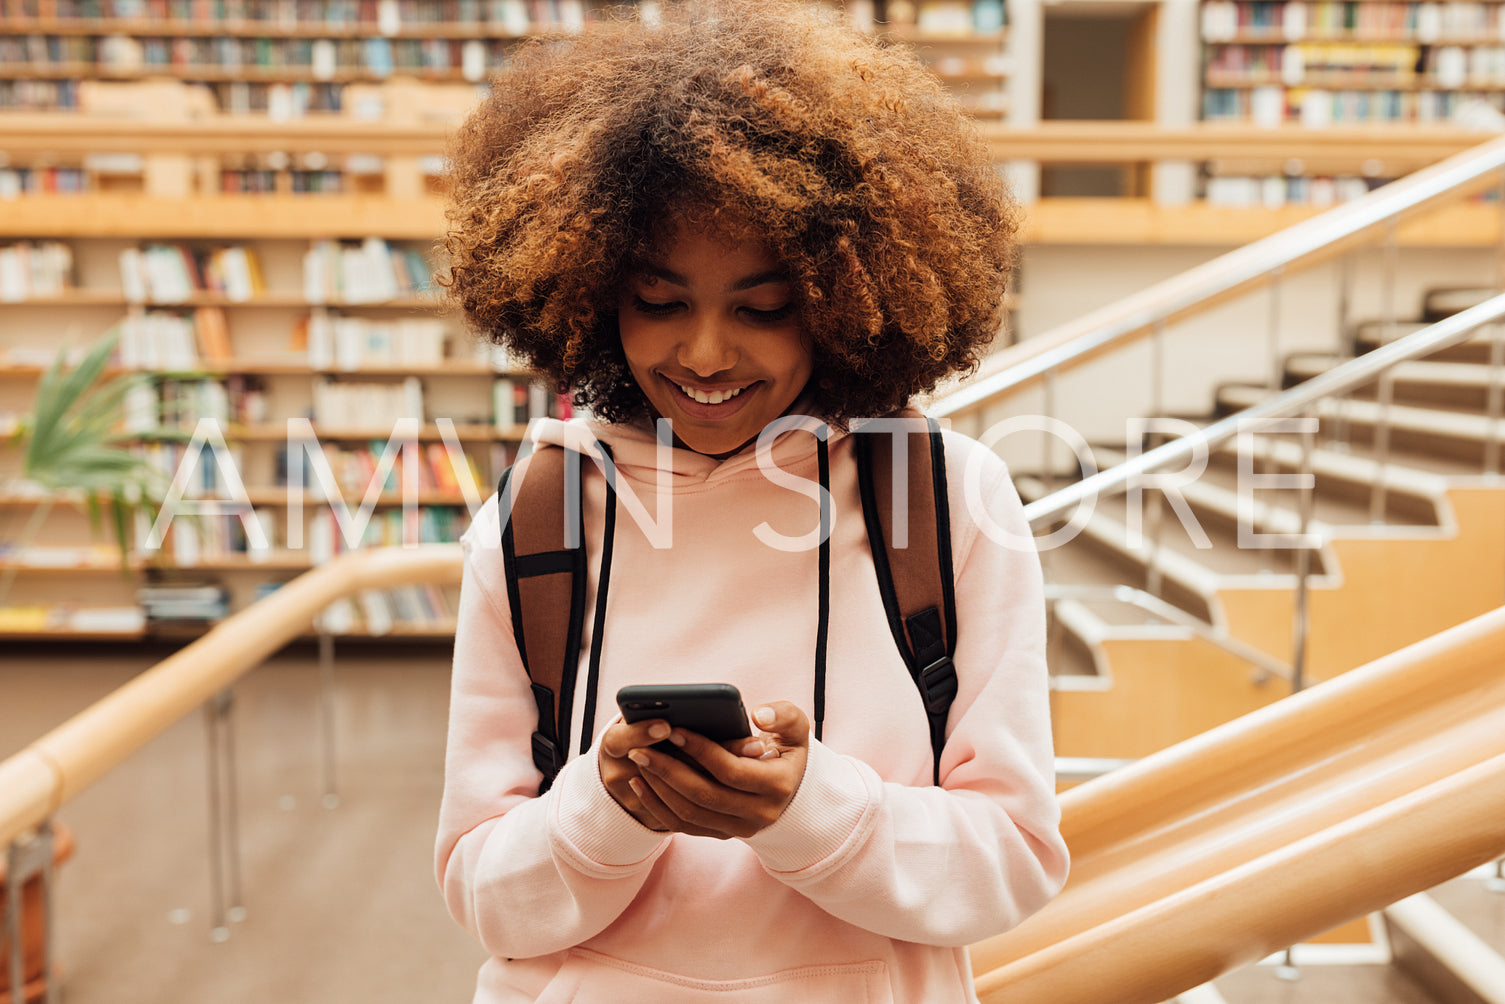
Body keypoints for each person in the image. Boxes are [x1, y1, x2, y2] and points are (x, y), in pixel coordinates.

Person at [434, 1, 1069, 1000]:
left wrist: (807, 808)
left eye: (762, 308)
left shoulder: (944, 500)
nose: (704, 354)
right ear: (597, 293)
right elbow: (484, 894)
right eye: (660, 301)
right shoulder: (540, 516)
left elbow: (1014, 859)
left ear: (844, 296)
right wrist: (611, 806)